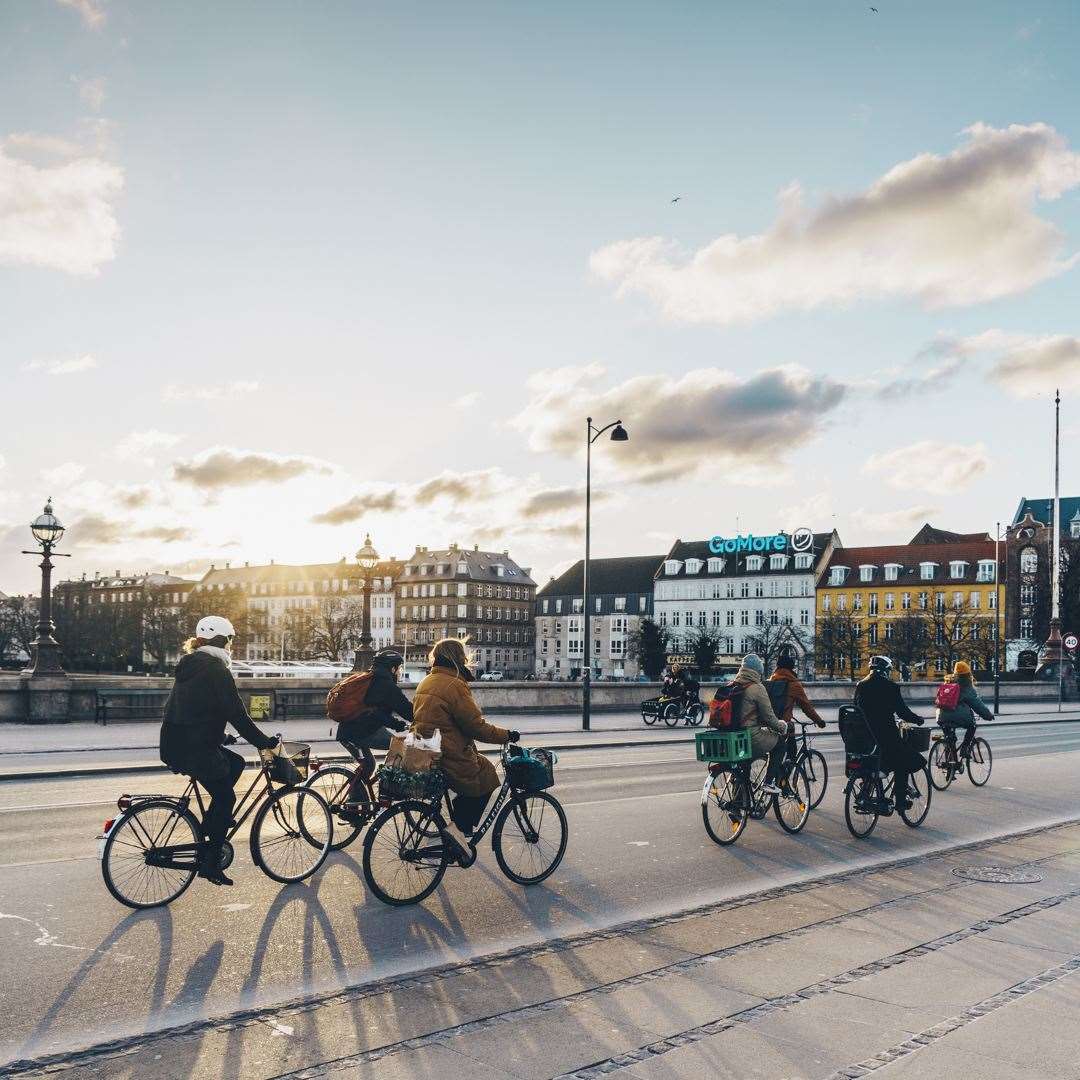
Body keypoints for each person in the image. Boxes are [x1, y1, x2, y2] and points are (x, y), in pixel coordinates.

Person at [159, 616, 278, 886]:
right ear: (223, 640)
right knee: (226, 799)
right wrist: (263, 742)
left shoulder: (189, 665)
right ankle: (210, 863)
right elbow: (236, 712)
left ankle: (211, 825)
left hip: (175, 744)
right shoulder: (215, 668)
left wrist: (221, 736)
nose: (231, 645)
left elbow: (194, 708)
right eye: (230, 640)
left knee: (234, 763)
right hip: (196, 749)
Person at [411, 638, 520, 858]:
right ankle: (459, 831)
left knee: (472, 779)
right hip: (447, 752)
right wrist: (506, 735)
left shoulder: (428, 680)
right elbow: (475, 726)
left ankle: (458, 829)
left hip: (424, 749)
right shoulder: (454, 684)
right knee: (486, 774)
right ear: (458, 658)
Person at [337, 649, 413, 804]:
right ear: (392, 668)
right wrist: (418, 719)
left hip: (347, 731)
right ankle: (387, 791)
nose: (399, 672)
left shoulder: (370, 679)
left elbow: (376, 713)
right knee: (401, 749)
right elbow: (406, 710)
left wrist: (396, 724)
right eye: (399, 668)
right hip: (363, 731)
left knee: (368, 764)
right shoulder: (385, 684)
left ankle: (355, 803)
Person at [853, 655, 927, 810]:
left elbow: (856, 708)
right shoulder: (891, 687)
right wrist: (918, 719)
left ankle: (870, 787)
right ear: (886, 670)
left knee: (879, 761)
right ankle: (900, 801)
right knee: (904, 761)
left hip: (865, 737)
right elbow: (902, 712)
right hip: (886, 737)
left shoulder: (861, 685)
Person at [725, 653, 791, 795]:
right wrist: (783, 726)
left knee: (744, 764)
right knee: (780, 745)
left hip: (734, 736)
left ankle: (738, 804)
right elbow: (770, 718)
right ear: (757, 671)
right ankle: (768, 783)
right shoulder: (757, 688)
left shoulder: (733, 685)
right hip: (750, 736)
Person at [937, 660, 994, 754]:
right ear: (968, 674)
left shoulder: (947, 683)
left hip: (941, 716)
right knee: (972, 726)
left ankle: (949, 763)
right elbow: (977, 704)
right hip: (959, 717)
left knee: (949, 740)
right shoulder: (966, 686)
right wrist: (987, 715)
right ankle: (965, 748)